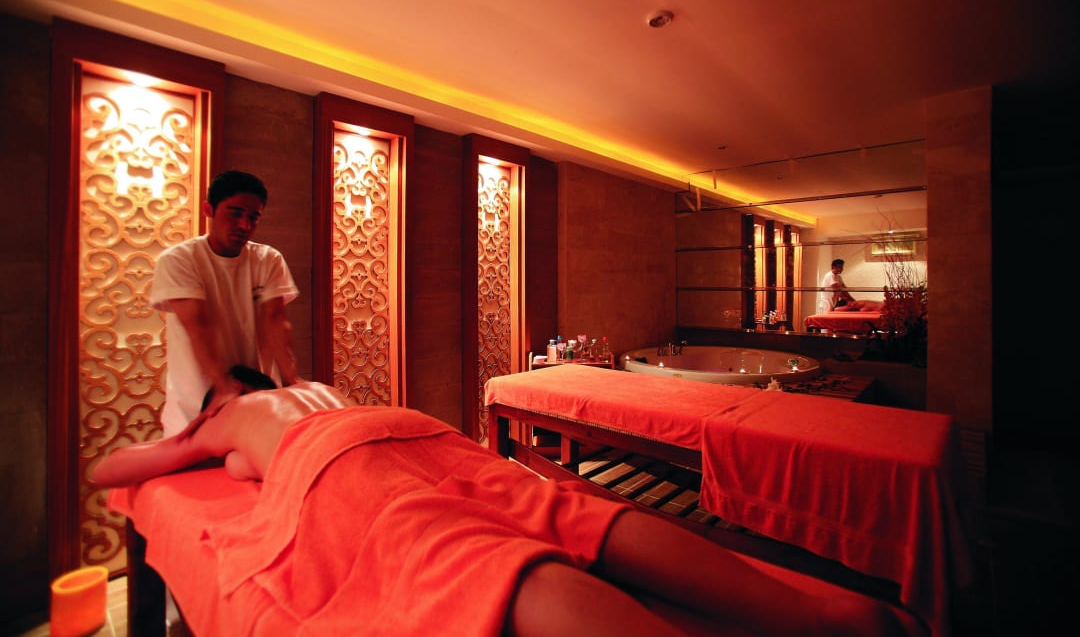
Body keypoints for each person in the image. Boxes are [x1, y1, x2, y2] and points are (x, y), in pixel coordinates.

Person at [93, 374, 906, 637]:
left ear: (226, 392)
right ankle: (822, 618)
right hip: (410, 426)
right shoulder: (316, 388)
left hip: (338, 462)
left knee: (470, 556)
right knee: (559, 512)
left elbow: (114, 469)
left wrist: (198, 431)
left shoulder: (231, 413)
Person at [151, 170, 300, 436]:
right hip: (197, 400)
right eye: (235, 213)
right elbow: (198, 325)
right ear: (209, 210)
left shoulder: (268, 259)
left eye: (253, 217)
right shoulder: (179, 260)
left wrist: (292, 382)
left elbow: (276, 320)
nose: (244, 225)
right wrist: (223, 386)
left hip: (256, 397)